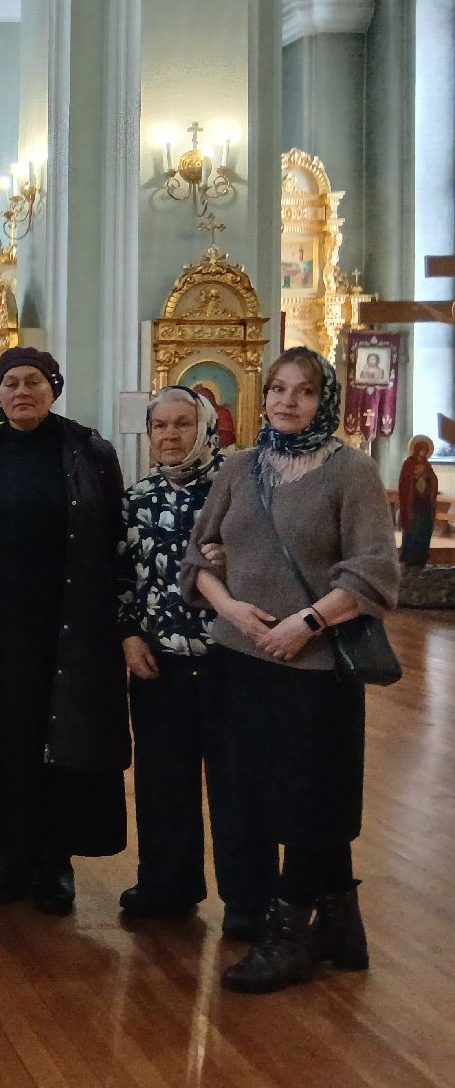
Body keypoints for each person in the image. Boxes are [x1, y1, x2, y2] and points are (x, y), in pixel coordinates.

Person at [181, 347, 398, 993]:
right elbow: (198, 558)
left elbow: (373, 571)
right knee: (251, 793)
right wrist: (232, 610)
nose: (287, 401)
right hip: (237, 658)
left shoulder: (351, 471)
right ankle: (341, 927)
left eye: (304, 391)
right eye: (278, 388)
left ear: (323, 400)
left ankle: (289, 934)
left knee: (312, 797)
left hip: (315, 667)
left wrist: (305, 622)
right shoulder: (240, 466)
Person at [0, 347, 128, 914]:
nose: (22, 391)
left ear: (54, 389)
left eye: (34, 382)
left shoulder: (90, 453)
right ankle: (15, 855)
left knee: (62, 742)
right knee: (7, 742)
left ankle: (55, 862)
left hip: (70, 625)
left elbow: (114, 534)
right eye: (11, 383)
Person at [116, 387, 269, 936]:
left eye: (182, 424)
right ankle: (167, 884)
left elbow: (270, 564)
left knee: (239, 783)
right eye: (160, 426)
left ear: (206, 429)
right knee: (162, 781)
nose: (171, 435)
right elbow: (121, 575)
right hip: (162, 665)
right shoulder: (137, 497)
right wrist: (128, 634)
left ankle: (249, 900)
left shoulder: (241, 490)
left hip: (232, 661)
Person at [398, 434, 439, 567]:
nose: (422, 452)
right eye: (420, 449)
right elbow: (403, 481)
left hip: (424, 504)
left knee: (423, 529)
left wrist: (427, 475)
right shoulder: (408, 463)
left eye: (425, 450)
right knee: (412, 529)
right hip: (413, 503)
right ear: (415, 449)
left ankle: (421, 556)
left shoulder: (427, 465)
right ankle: (410, 557)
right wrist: (413, 477)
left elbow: (434, 480)